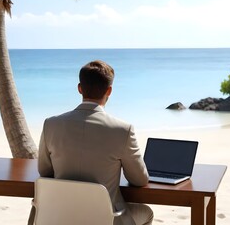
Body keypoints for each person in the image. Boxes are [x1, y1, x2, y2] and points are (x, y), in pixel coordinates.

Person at [38, 60, 154, 225]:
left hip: (61, 217)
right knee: (146, 213)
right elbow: (140, 180)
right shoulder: (122, 130)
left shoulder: (51, 124)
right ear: (109, 91)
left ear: (79, 88)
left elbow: (44, 171)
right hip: (106, 219)